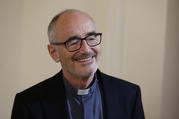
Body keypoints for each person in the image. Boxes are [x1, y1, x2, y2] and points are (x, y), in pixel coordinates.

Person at [11, 9, 145, 119]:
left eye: (91, 38)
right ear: (54, 52)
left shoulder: (129, 95)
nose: (86, 50)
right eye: (73, 42)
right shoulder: (28, 104)